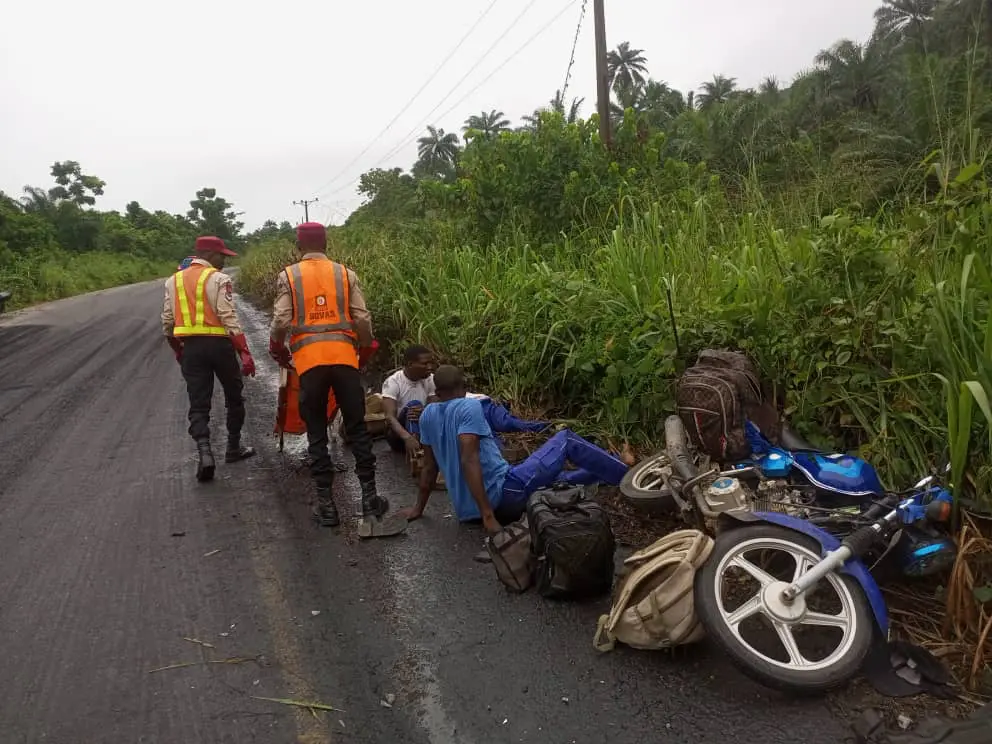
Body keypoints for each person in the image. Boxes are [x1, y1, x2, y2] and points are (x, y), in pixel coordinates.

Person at [398, 365, 629, 532]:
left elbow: (429, 467)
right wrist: (489, 516)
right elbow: (470, 459)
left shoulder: (427, 414)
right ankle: (626, 473)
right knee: (566, 440)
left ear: (437, 392)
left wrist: (419, 508)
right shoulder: (469, 406)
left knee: (555, 478)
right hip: (504, 495)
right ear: (463, 387)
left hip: (468, 512)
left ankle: (614, 465)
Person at [268, 222, 388, 528]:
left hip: (310, 365)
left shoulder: (289, 275)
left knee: (317, 431)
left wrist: (278, 348)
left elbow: (281, 319)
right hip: (345, 360)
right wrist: (363, 349)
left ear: (298, 246)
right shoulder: (345, 274)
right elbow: (361, 318)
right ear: (327, 243)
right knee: (357, 428)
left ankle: (327, 506)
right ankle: (370, 501)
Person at [162, 235, 257, 482]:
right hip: (220, 347)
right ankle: (233, 448)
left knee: (198, 401)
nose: (224, 260)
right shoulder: (218, 279)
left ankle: (205, 453)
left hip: (191, 348)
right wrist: (244, 352)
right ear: (209, 255)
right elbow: (228, 317)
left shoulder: (173, 281)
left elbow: (167, 322)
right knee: (234, 396)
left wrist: (178, 349)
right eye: (222, 255)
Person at [383, 346, 549, 455]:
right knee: (414, 407)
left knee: (505, 424)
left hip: (431, 420)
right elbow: (389, 417)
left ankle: (546, 427)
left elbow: (435, 405)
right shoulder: (394, 382)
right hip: (403, 428)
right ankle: (419, 449)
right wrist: (407, 437)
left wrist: (426, 411)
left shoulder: (432, 380)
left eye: (431, 363)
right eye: (424, 364)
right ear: (409, 364)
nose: (430, 367)